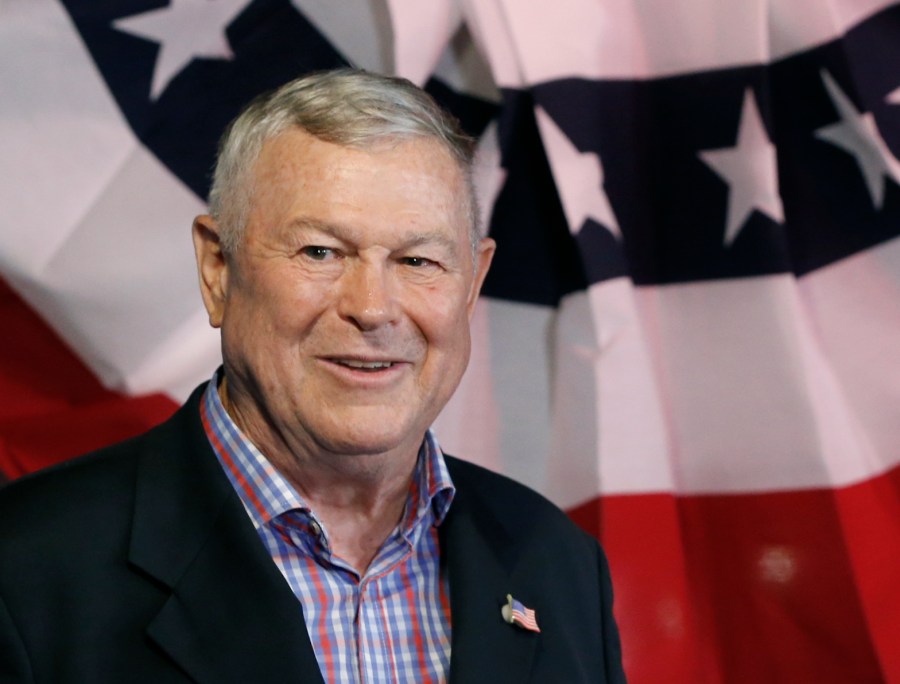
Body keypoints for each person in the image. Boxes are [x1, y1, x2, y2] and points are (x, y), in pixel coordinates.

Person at [0, 69, 626, 683]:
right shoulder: (25, 567)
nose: (373, 308)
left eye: (418, 259)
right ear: (219, 268)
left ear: (471, 286)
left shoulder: (555, 562)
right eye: (321, 252)